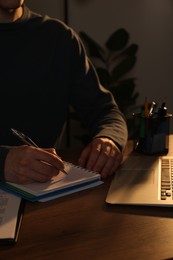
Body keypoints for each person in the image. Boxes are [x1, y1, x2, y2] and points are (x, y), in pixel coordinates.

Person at [0, 0, 128, 184]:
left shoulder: (59, 37)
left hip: (45, 192)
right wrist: (3, 161)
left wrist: (108, 139)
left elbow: (105, 111)